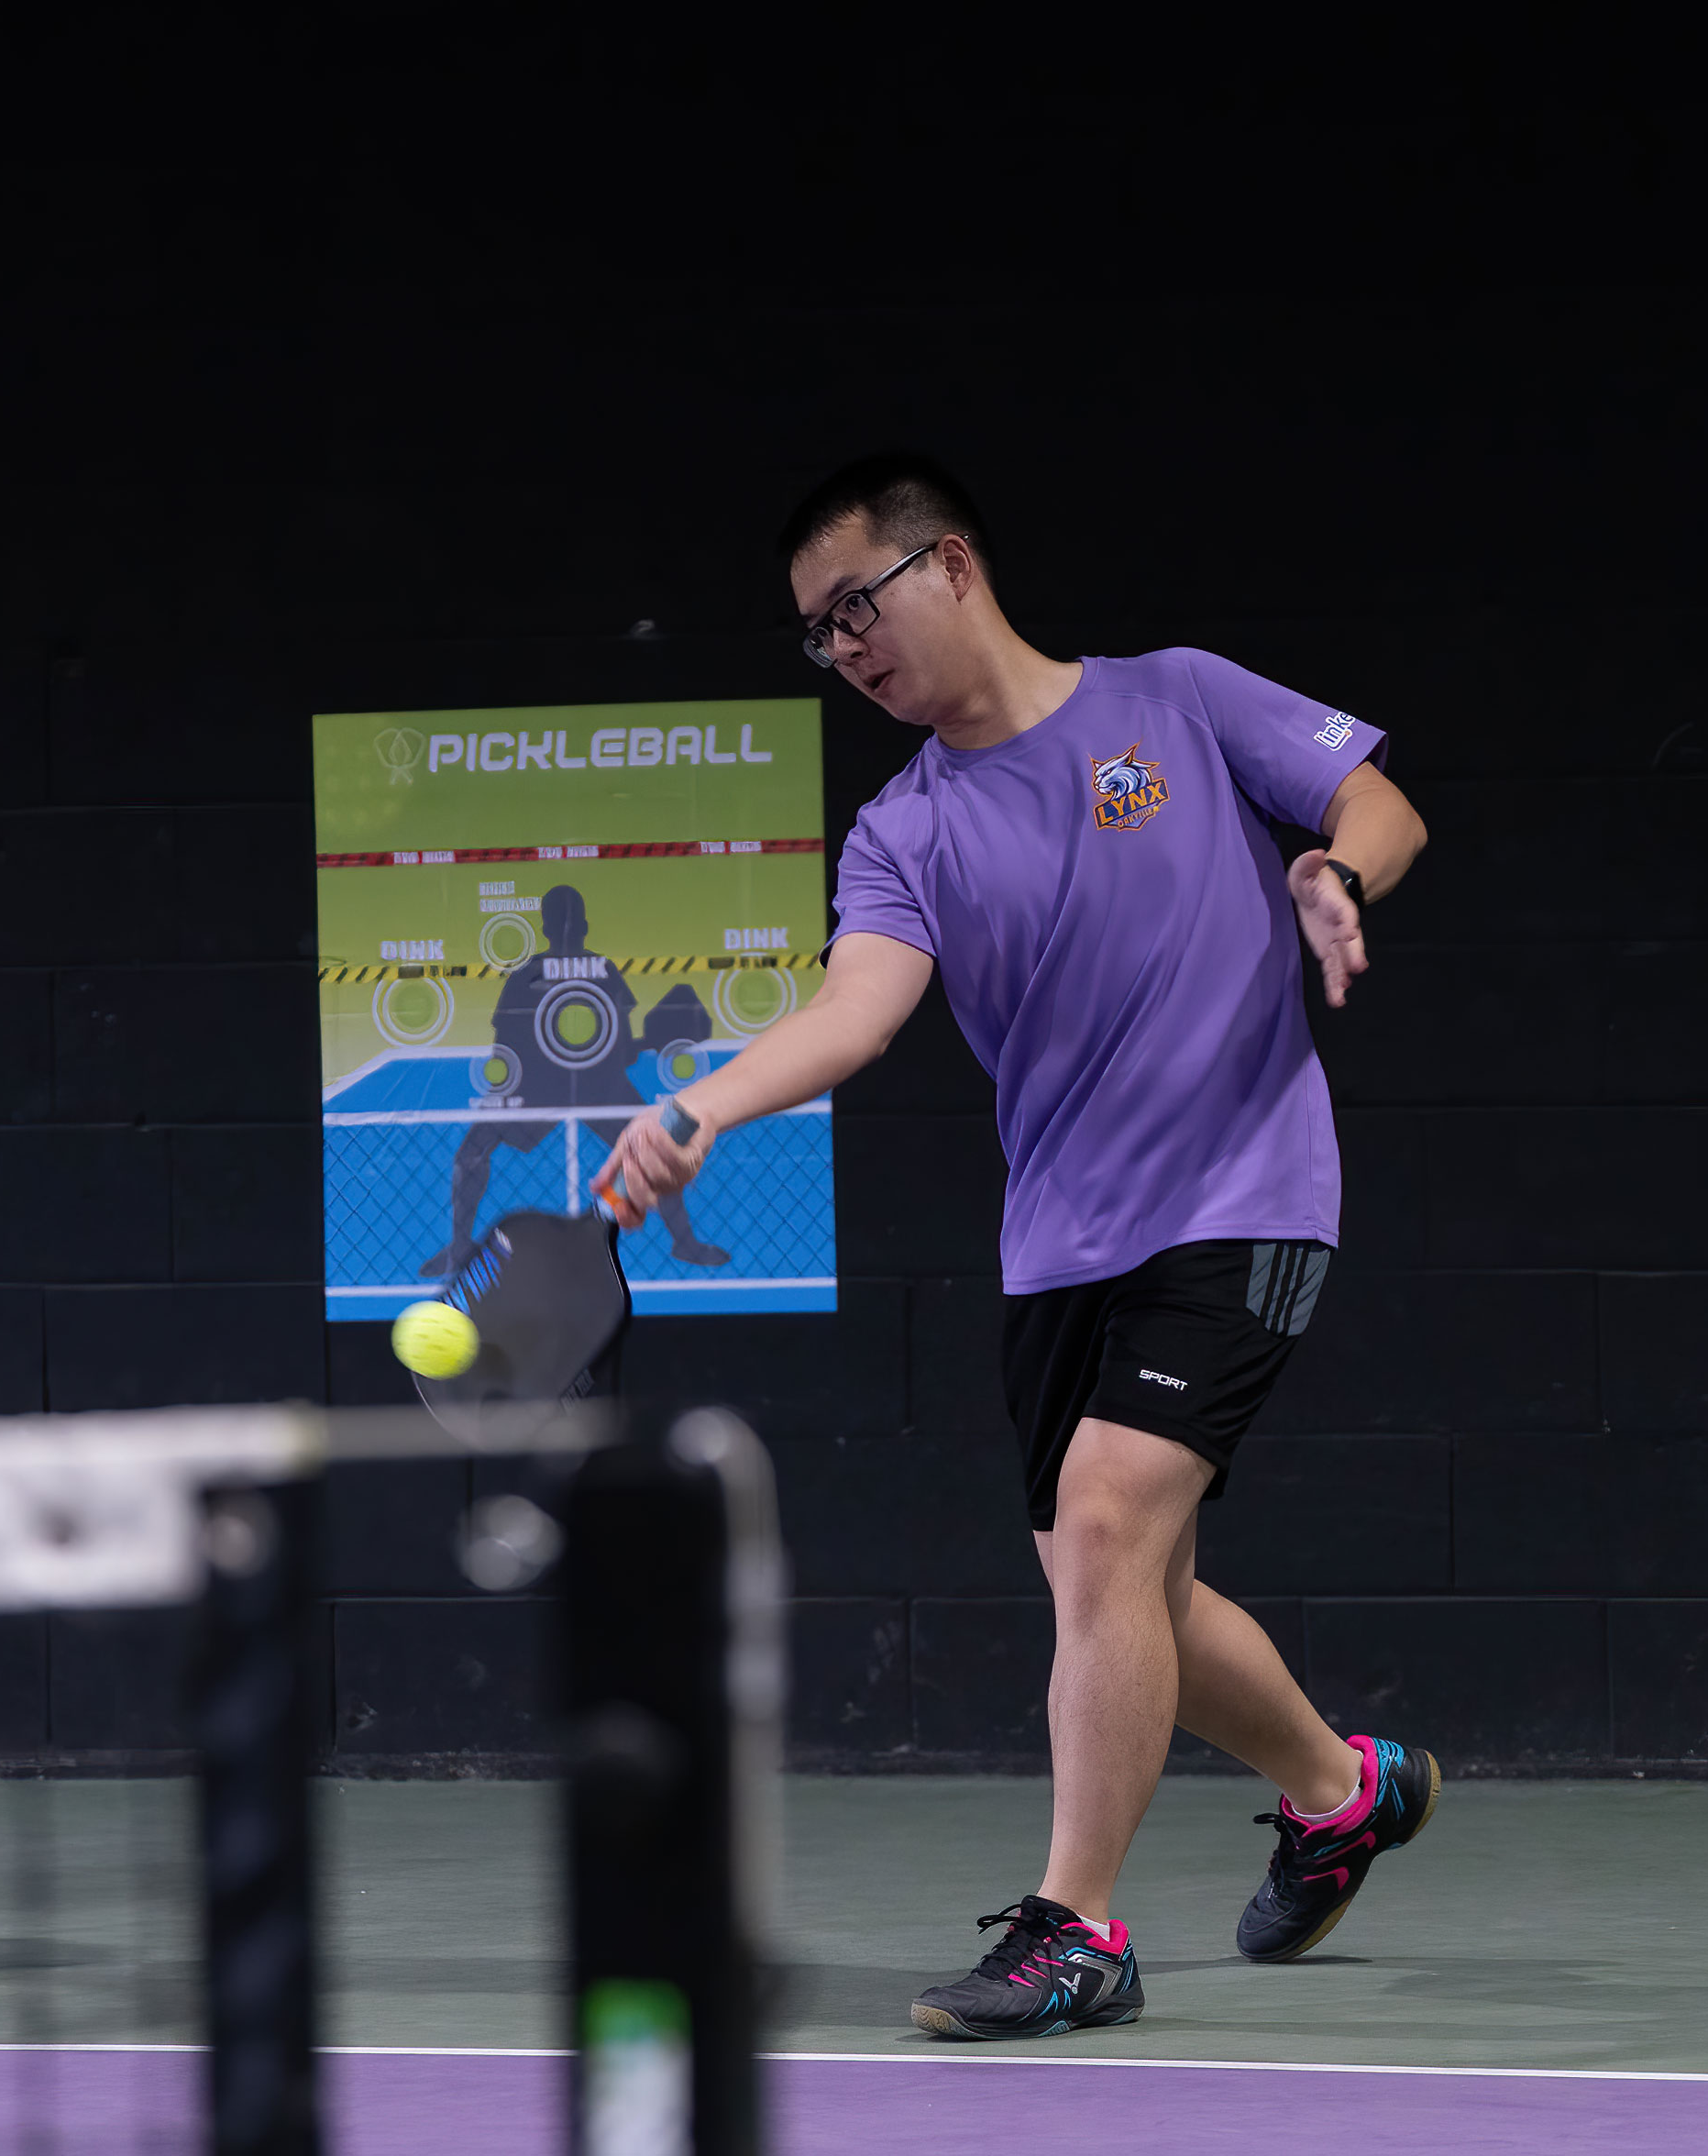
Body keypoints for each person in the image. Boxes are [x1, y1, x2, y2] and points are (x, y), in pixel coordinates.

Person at [597, 454, 1437, 2040]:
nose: (843, 648)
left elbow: (1377, 799)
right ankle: (1344, 1792)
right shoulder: (903, 831)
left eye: (856, 607)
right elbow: (859, 1009)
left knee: (1107, 1522)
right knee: (1128, 1584)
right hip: (1060, 1244)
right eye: (816, 633)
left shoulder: (1175, 700)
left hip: (1245, 1195)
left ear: (952, 566)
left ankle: (1077, 1930)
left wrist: (1336, 869)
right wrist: (704, 1102)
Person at [421, 882, 727, 1276]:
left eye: (568, 920)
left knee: (658, 1146)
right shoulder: (548, 974)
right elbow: (512, 1045)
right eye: (561, 921)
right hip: (556, 1086)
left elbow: (518, 1046)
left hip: (594, 1085)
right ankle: (460, 1247)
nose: (566, 928)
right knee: (472, 1153)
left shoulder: (568, 972)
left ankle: (685, 1242)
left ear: (562, 926)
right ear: (562, 926)